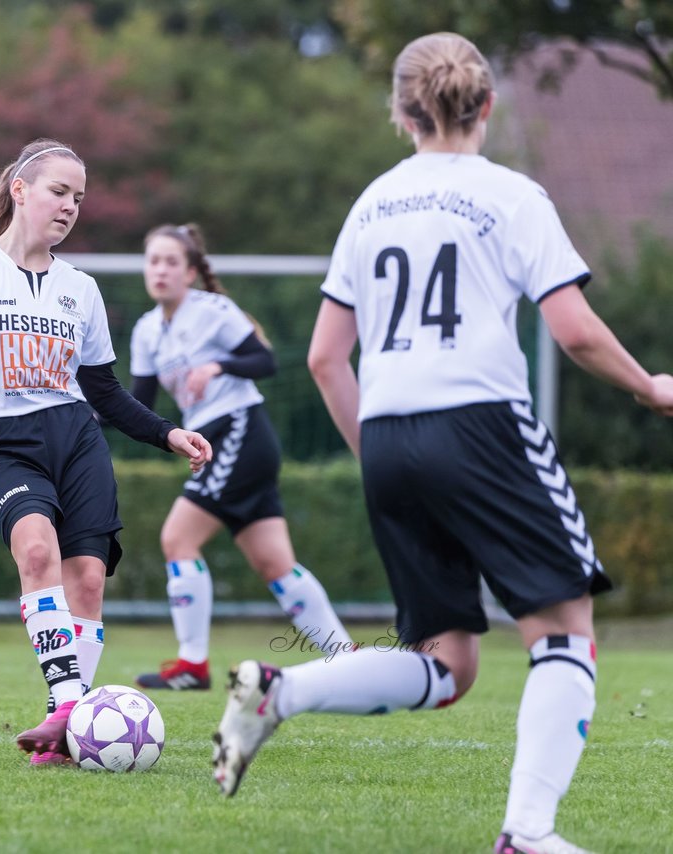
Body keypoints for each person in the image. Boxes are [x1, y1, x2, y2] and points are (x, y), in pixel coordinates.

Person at [210, 33, 673, 853]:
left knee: (448, 664)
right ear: (486, 106)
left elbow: (325, 358)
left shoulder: (371, 204)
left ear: (401, 111)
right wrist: (650, 386)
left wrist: (378, 455)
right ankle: (527, 833)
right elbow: (573, 331)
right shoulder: (512, 195)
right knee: (565, 630)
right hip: (481, 424)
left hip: (389, 431)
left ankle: (280, 692)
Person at [0, 139, 213, 766]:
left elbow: (106, 394)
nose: (70, 206)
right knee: (38, 552)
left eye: (79, 198)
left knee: (87, 578)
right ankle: (69, 710)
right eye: (59, 191)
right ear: (20, 190)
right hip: (0, 443)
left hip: (76, 438)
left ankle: (65, 728)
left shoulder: (80, 289)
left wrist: (168, 432)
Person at [129, 223, 352, 691]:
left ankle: (192, 665)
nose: (161, 270)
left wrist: (219, 365)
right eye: (154, 261)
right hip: (218, 440)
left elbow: (265, 361)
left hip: (239, 431)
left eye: (172, 262)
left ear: (191, 272)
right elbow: (137, 404)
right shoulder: (147, 331)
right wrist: (83, 409)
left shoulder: (213, 311)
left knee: (177, 538)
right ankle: (347, 658)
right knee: (275, 565)